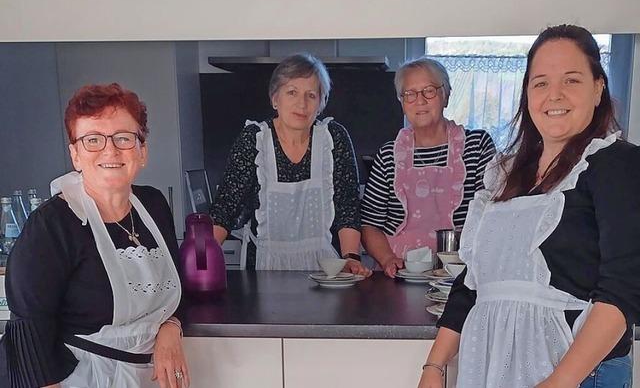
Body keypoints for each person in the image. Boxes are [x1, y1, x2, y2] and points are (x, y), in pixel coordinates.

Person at [418, 25, 640, 388]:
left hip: (579, 376)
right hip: (491, 367)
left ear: (598, 88)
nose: (554, 95)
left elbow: (623, 291)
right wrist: (434, 366)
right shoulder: (503, 174)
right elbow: (474, 282)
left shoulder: (617, 165)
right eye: (540, 83)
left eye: (571, 80)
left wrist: (558, 383)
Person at [0, 83, 189, 388]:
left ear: (143, 151)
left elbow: (177, 287)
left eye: (124, 138)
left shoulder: (153, 206)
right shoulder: (51, 226)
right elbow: (28, 334)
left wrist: (170, 327)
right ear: (75, 155)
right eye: (93, 140)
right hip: (79, 379)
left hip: (145, 376)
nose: (110, 150)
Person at [211, 53, 371, 275]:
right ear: (275, 98)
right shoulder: (254, 139)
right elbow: (225, 208)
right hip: (265, 271)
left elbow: (348, 205)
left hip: (327, 271)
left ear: (322, 102)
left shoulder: (333, 138)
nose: (302, 104)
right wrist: (202, 262)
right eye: (292, 92)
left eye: (311, 95)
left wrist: (351, 257)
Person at [361, 57, 496, 277]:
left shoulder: (476, 145)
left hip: (461, 276)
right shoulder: (388, 155)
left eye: (429, 91)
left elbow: (494, 213)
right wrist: (387, 260)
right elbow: (370, 225)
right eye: (410, 94)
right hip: (402, 276)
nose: (420, 100)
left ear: (446, 95)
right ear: (402, 102)